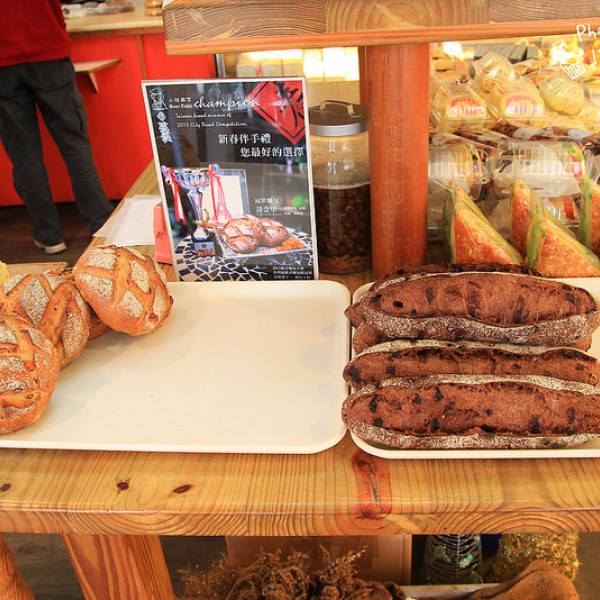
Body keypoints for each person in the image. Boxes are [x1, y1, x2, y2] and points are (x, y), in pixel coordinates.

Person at [0, 0, 114, 254]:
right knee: (74, 144)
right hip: (48, 49)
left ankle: (49, 236)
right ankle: (101, 226)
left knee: (23, 153)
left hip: (3, 61)